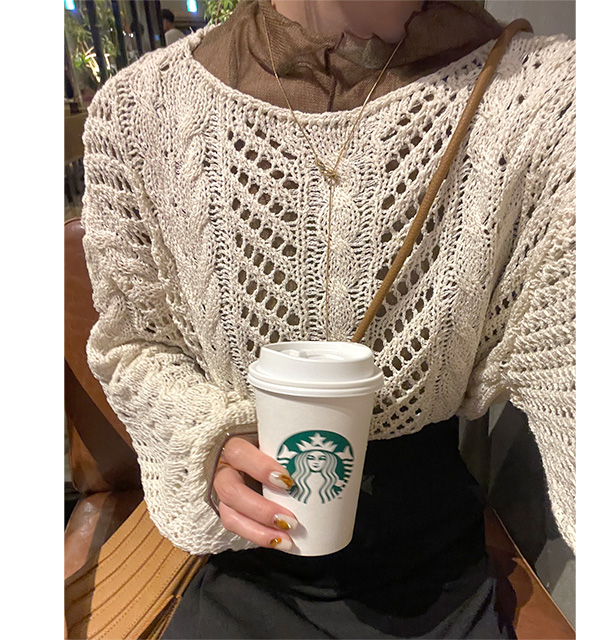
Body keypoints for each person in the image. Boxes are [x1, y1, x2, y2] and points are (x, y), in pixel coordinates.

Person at [80, 0, 575, 637]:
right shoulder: (138, 111)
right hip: (249, 557)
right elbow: (132, 344)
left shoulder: (553, 106)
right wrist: (205, 439)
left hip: (429, 567)